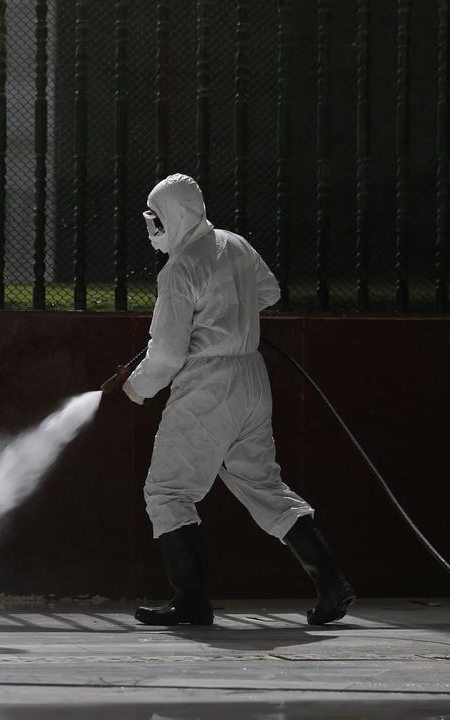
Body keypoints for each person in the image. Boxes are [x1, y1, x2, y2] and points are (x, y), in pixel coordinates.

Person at [101, 173, 354, 627]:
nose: (153, 228)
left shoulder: (179, 269)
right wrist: (230, 311)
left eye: (156, 219)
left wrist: (135, 388)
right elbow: (269, 292)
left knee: (168, 489)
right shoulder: (234, 243)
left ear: (174, 216)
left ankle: (191, 601)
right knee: (263, 485)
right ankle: (332, 583)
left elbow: (168, 351)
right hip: (251, 377)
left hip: (209, 384)